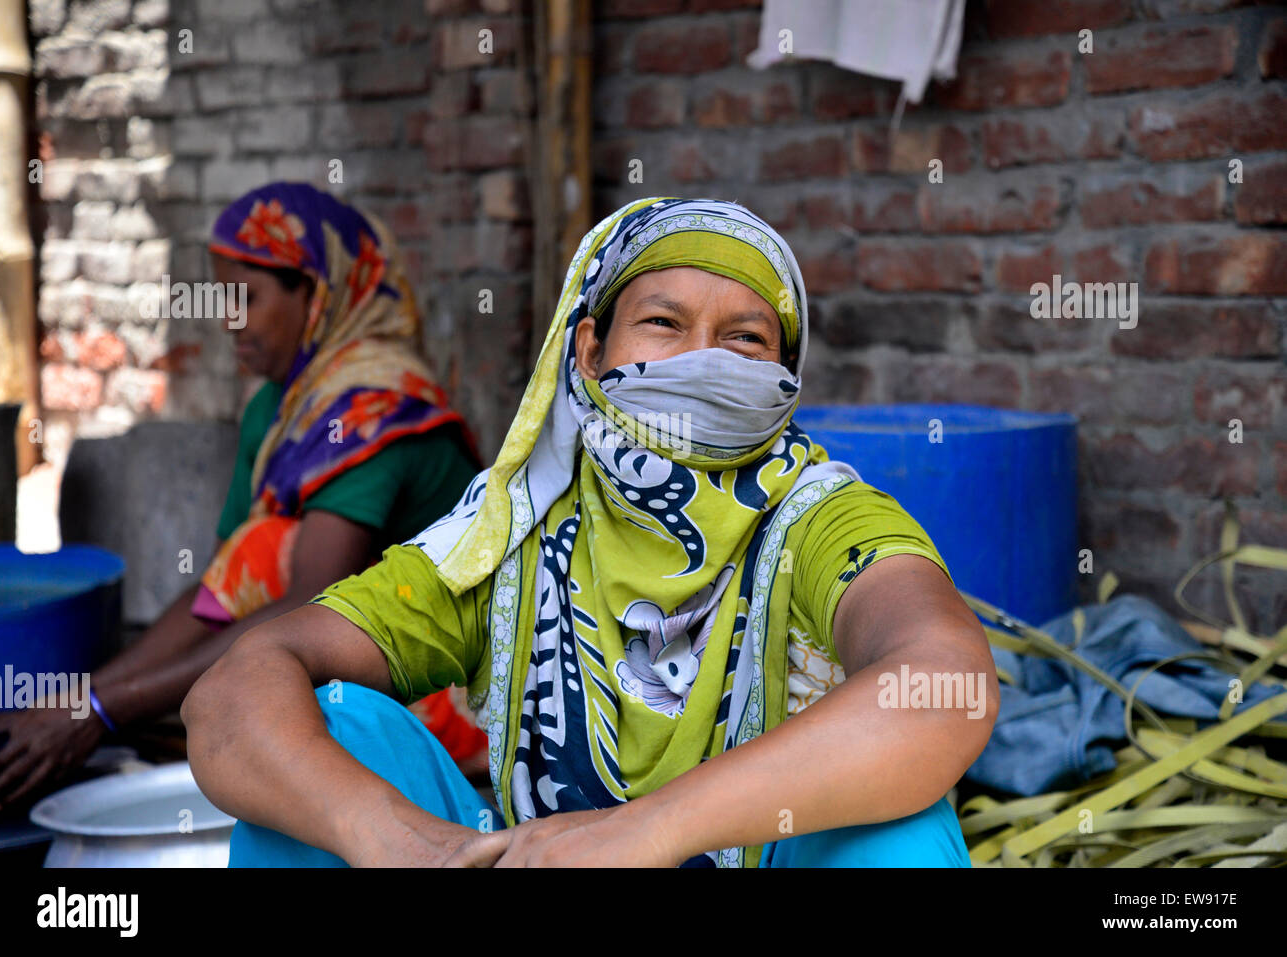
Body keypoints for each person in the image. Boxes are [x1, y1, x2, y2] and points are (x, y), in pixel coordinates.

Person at [184, 196, 999, 868]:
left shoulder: (820, 520)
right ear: (589, 351)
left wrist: (649, 828)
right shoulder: (506, 543)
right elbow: (236, 691)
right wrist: (391, 835)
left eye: (744, 337)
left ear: (785, 376)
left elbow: (945, 684)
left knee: (904, 834)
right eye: (663, 323)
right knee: (321, 753)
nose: (698, 362)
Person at [0, 183, 485, 813]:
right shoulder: (274, 411)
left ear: (315, 293)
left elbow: (312, 600)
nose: (230, 322)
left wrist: (103, 711)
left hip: (429, 691)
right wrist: (78, 702)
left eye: (248, 298)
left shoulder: (375, 413)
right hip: (325, 664)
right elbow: (217, 591)